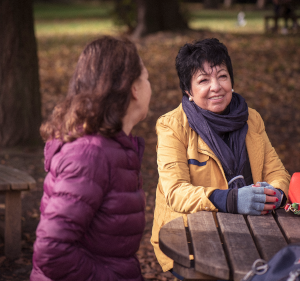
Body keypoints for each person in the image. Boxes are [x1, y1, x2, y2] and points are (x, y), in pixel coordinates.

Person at [150, 38, 290, 279]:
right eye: (203, 80)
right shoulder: (172, 126)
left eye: (222, 76)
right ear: (188, 91)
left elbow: (278, 173)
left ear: (232, 81)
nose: (216, 86)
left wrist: (275, 193)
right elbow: (175, 192)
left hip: (253, 231)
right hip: (192, 239)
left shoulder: (251, 118)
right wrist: (230, 199)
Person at [30, 36, 151, 281]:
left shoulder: (112, 149)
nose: (151, 85)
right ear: (134, 89)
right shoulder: (90, 156)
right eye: (147, 78)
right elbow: (51, 251)